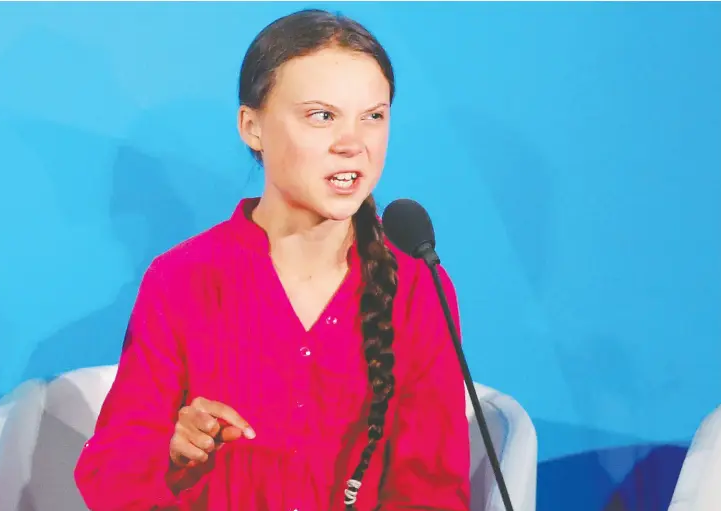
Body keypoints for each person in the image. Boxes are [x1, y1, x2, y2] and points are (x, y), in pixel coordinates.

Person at [75, 8, 471, 511]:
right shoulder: (182, 278)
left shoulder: (417, 288)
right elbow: (112, 471)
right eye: (322, 116)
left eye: (373, 116)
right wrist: (172, 453)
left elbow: (433, 492)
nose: (353, 144)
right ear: (252, 126)